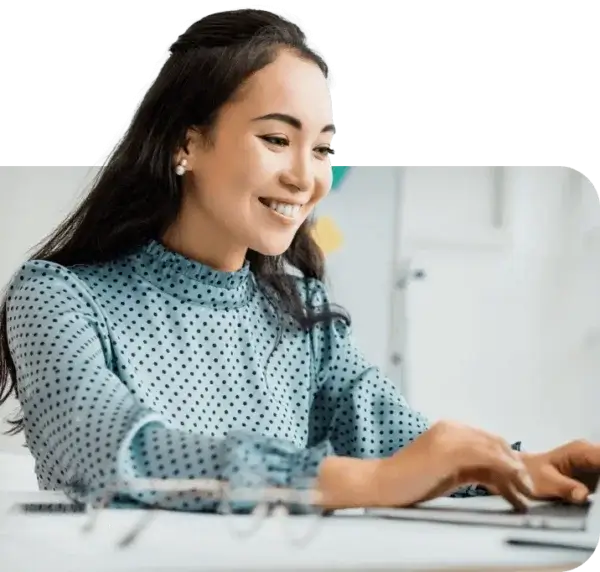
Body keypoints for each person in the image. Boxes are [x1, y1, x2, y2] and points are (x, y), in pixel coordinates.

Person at [0, 8, 598, 514]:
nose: (304, 176)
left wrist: (519, 466)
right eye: (277, 139)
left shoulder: (302, 312)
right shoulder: (54, 296)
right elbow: (116, 454)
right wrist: (365, 482)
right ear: (187, 143)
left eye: (323, 148)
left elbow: (396, 439)